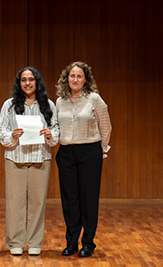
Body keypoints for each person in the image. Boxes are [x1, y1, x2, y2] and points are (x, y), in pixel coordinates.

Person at [0, 67, 59, 256]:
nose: (27, 83)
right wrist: (12, 135)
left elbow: (56, 128)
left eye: (31, 79)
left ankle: (34, 243)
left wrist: (50, 135)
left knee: (38, 203)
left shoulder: (48, 105)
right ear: (19, 83)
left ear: (37, 82)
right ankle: (15, 242)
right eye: (24, 80)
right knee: (15, 202)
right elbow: (1, 130)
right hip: (16, 158)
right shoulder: (9, 104)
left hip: (40, 158)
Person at [55, 61, 112, 257]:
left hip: (90, 152)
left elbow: (106, 125)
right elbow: (57, 127)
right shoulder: (60, 101)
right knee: (70, 199)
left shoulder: (94, 99)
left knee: (88, 199)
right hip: (66, 154)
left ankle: (88, 242)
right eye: (72, 76)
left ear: (85, 79)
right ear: (67, 78)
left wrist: (102, 149)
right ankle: (71, 242)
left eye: (79, 76)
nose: (75, 79)